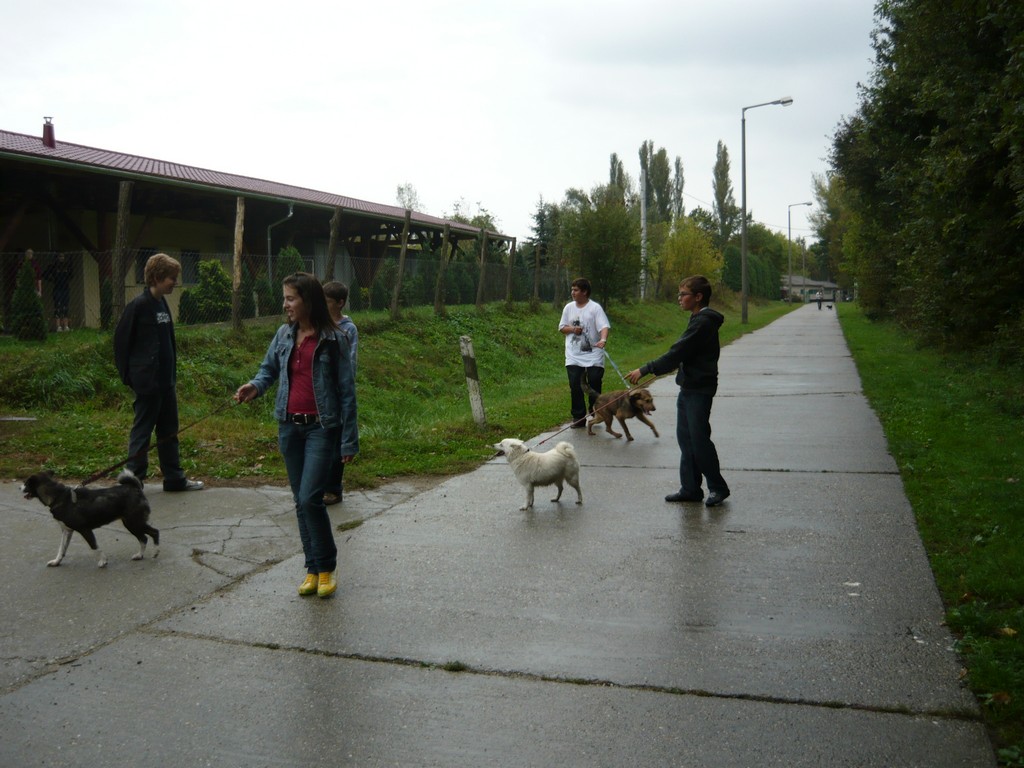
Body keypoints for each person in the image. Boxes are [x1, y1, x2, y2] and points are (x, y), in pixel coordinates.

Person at [234, 272, 358, 599]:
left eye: (290, 298)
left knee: (309, 498)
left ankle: (327, 567)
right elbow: (269, 370)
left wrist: (348, 439)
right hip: (289, 427)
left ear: (308, 300)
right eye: (285, 298)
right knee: (300, 502)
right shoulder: (283, 334)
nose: (285, 304)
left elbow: (347, 392)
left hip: (321, 428)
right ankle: (312, 568)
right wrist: (255, 386)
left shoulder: (335, 339)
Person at [626, 275, 730, 508]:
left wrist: (645, 369)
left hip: (699, 390)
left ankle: (718, 488)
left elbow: (677, 352)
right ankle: (691, 489)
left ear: (698, 297)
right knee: (686, 440)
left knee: (699, 440)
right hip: (688, 387)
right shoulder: (698, 319)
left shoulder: (703, 322)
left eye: (683, 294)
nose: (679, 298)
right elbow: (683, 355)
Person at [113, 253, 205, 493]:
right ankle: (132, 482)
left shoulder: (162, 303)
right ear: (156, 278)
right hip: (148, 384)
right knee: (142, 432)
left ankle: (174, 479)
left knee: (169, 432)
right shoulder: (138, 306)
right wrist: (129, 377)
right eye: (171, 278)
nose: (175, 282)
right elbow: (121, 344)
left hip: (166, 382)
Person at [322, 280, 359, 506]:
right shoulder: (319, 325)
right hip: (321, 392)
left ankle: (333, 488)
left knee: (336, 439)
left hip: (338, 390)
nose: (322, 305)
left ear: (340, 303)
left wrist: (343, 385)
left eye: (327, 301)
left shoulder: (348, 329)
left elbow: (350, 361)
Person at [559, 277, 609, 428]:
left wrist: (603, 340)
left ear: (585, 292)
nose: (572, 292)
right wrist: (573, 329)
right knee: (575, 385)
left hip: (593, 353)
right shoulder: (568, 308)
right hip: (574, 354)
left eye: (576, 290)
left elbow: (604, 326)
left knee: (594, 381)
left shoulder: (595, 308)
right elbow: (562, 328)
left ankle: (595, 411)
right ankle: (578, 418)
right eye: (572, 290)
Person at [44, 253, 73, 331]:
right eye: (60, 256)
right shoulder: (53, 266)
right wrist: (53, 280)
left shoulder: (67, 266)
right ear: (57, 258)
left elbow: (71, 275)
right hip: (57, 289)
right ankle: (58, 326)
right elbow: (45, 275)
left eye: (63, 256)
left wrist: (66, 280)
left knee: (65, 307)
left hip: (65, 288)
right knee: (58, 307)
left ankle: (66, 326)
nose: (61, 258)